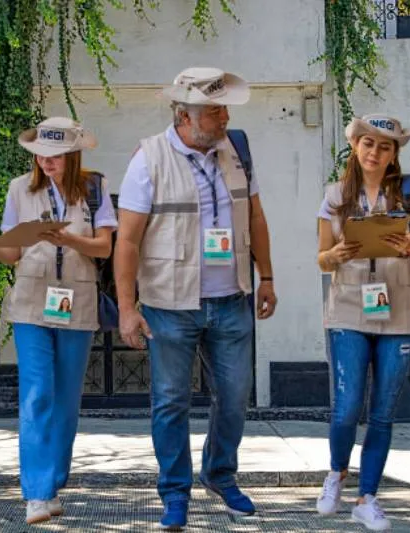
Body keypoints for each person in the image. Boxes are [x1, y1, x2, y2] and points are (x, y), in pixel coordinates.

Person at [114, 67, 278, 530]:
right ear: (184, 116)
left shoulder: (238, 151)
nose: (224, 117)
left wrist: (266, 277)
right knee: (170, 401)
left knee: (234, 395)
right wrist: (127, 308)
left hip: (232, 299)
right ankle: (174, 491)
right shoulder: (148, 159)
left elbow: (257, 219)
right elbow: (126, 241)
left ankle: (221, 475)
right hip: (169, 305)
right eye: (214, 111)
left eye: (224, 108)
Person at [0, 117, 117, 525]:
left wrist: (69, 239)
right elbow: (12, 253)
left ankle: (52, 483)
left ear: (73, 155)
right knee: (37, 393)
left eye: (55, 156)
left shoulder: (95, 188)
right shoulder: (20, 188)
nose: (46, 162)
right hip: (32, 302)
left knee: (66, 399)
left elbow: (104, 248)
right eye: (41, 155)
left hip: (79, 299)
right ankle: (36, 493)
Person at [315, 114, 410, 531]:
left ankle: (367, 498)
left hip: (398, 311)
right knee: (346, 408)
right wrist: (340, 253)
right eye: (368, 143)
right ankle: (336, 473)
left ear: (394, 153)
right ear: (355, 147)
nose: (375, 152)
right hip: (348, 308)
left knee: (382, 413)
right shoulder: (335, 195)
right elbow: (322, 258)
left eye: (385, 146)